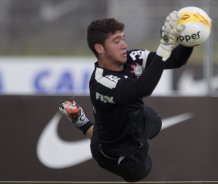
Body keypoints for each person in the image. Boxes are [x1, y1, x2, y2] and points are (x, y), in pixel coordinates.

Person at [59, 11, 194, 182]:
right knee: (141, 171)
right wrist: (165, 47)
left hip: (136, 119)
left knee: (155, 120)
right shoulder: (102, 81)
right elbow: (142, 88)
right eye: (116, 41)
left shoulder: (131, 57)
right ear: (100, 48)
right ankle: (81, 122)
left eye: (123, 38)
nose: (124, 45)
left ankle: (81, 120)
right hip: (116, 152)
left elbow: (175, 60)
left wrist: (189, 40)